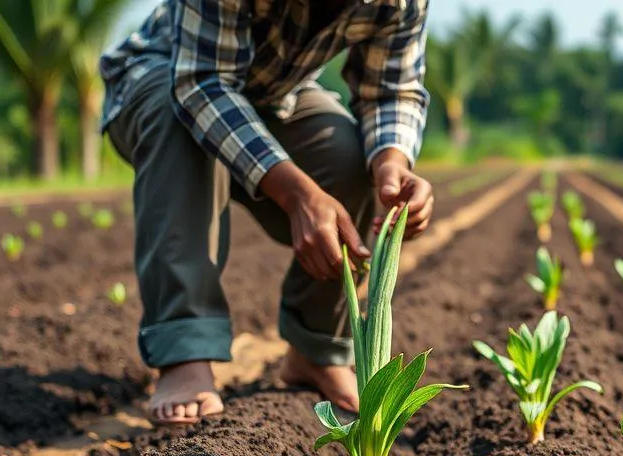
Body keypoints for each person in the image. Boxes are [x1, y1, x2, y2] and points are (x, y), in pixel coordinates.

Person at [99, 0, 435, 425]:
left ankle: (316, 349)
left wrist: (391, 163)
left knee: (351, 158)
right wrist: (297, 194)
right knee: (175, 119)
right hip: (163, 76)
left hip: (275, 96)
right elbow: (200, 83)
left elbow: (392, 88)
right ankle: (184, 351)